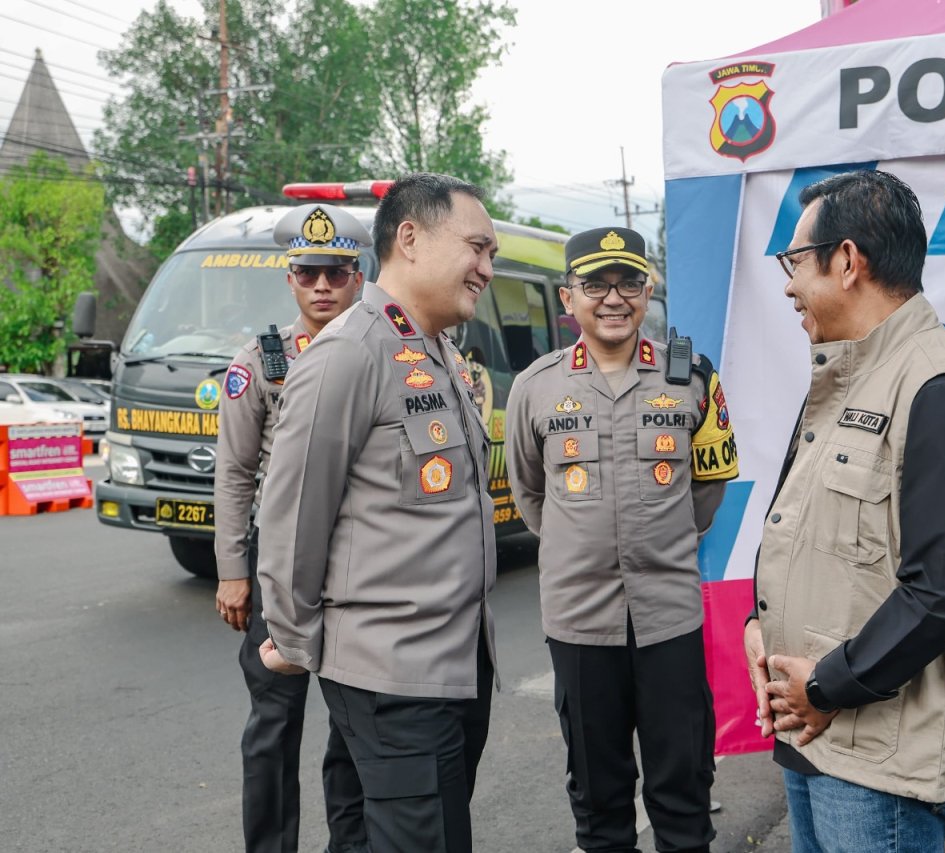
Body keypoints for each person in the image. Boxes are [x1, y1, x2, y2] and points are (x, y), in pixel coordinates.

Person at [742, 169, 945, 852]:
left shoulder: (936, 386)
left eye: (795, 261)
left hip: (877, 762)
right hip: (814, 735)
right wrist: (758, 619)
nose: (788, 282)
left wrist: (827, 684)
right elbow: (803, 524)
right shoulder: (846, 375)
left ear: (847, 260)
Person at [255, 173, 499, 853]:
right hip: (395, 677)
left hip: (451, 664)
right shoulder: (348, 353)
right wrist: (298, 637)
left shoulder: (436, 351)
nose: (486, 267)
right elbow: (293, 513)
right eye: (476, 247)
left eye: (492, 254)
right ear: (411, 239)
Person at [506, 226, 738, 853]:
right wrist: (579, 543)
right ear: (567, 298)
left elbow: (708, 486)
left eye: (629, 282)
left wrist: (658, 538)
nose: (614, 298)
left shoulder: (691, 377)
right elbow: (531, 493)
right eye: (596, 284)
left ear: (648, 290)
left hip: (669, 618)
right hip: (580, 623)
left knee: (683, 789)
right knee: (598, 796)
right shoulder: (535, 386)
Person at [213, 202, 369, 853]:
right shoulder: (262, 360)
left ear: (358, 275)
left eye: (335, 272)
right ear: (291, 279)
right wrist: (232, 571)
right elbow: (234, 472)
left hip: (360, 575)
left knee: (357, 729)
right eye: (309, 274)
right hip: (279, 578)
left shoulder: (375, 350)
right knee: (273, 730)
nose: (323, 286)